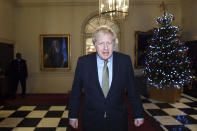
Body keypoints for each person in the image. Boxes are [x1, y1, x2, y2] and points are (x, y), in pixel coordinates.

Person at [68, 26, 144, 131]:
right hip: (91, 119)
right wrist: (73, 115)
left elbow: (133, 90)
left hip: (118, 119)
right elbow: (76, 91)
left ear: (114, 44)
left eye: (109, 43)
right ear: (95, 45)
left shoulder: (124, 61)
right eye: (101, 43)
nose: (105, 48)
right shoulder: (83, 62)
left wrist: (138, 114)